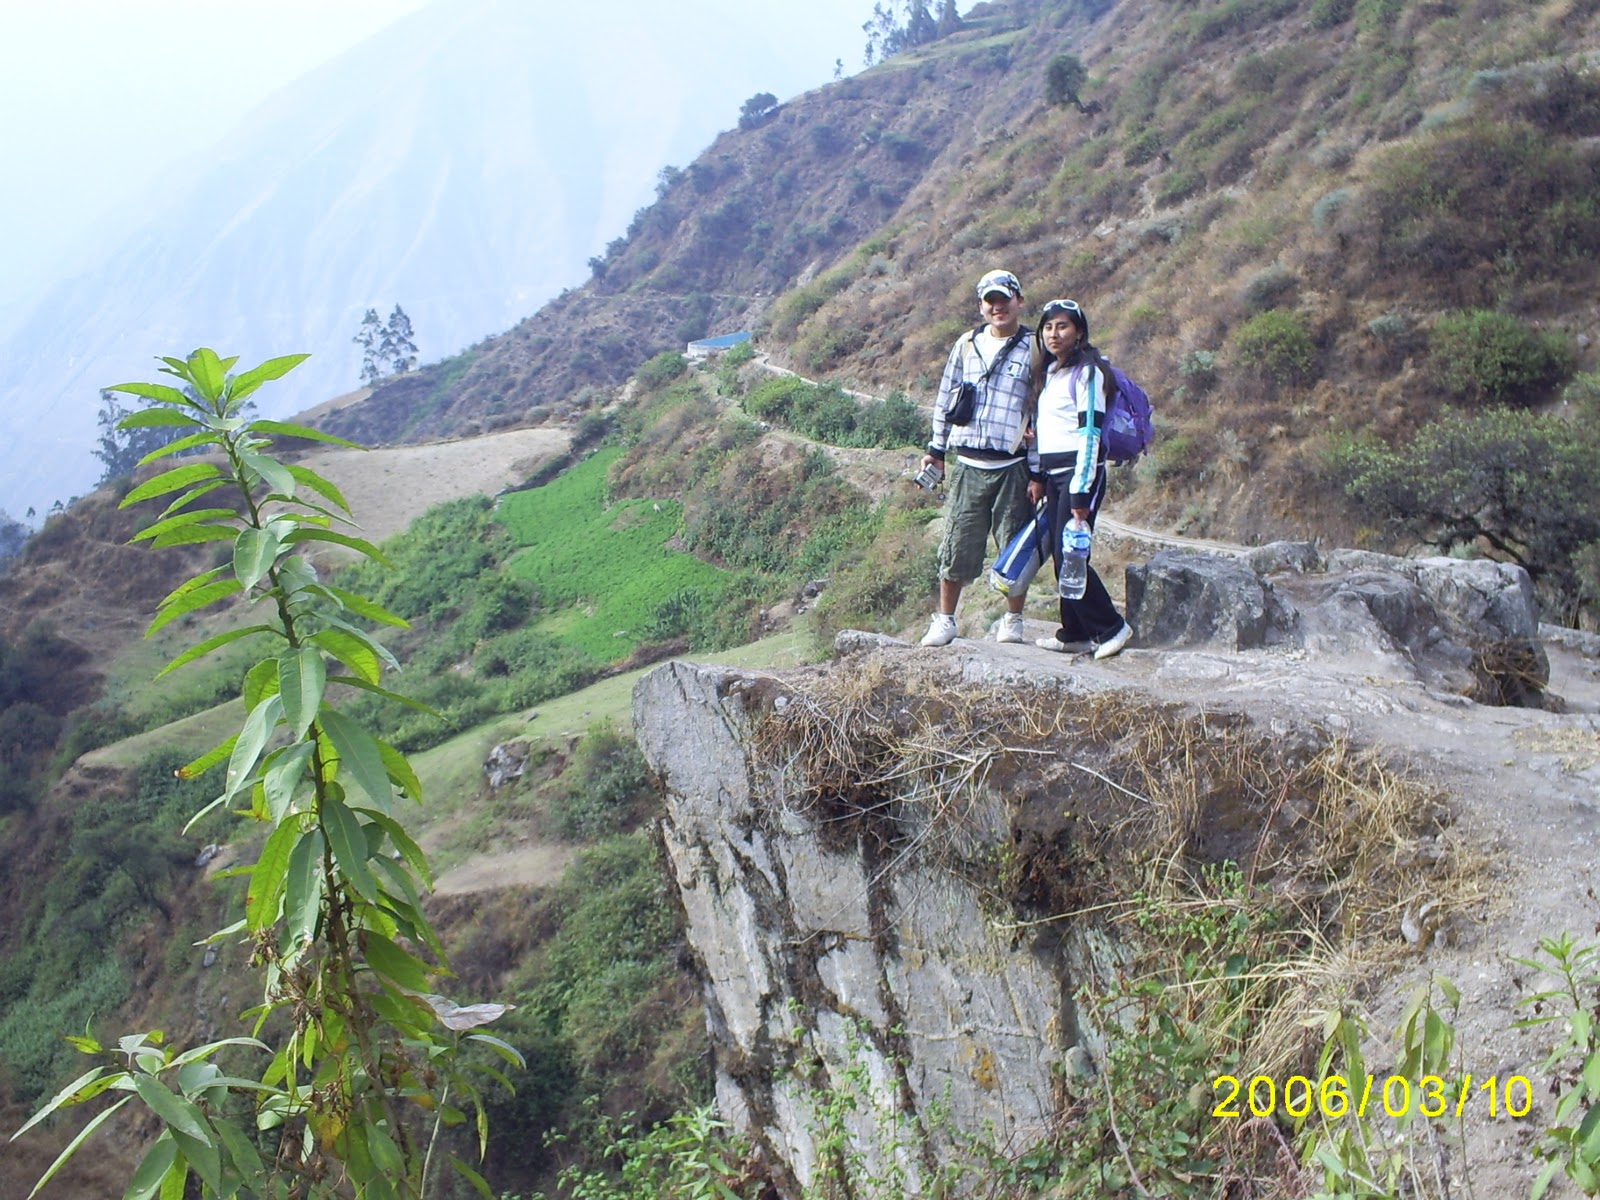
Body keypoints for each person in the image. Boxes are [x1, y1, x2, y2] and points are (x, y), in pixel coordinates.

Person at [918, 269, 1038, 647]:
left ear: (1019, 301)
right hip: (968, 464)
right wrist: (936, 451)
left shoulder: (1036, 347)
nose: (997, 307)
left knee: (1015, 546)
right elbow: (945, 397)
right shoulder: (966, 344)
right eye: (990, 301)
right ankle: (946, 620)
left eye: (1004, 299)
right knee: (957, 544)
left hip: (1013, 467)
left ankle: (1012, 620)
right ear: (981, 306)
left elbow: (1042, 406)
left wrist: (1038, 470)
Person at [1025, 298, 1133, 660]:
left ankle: (1110, 627)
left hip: (1077, 474)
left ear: (1080, 332)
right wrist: (1038, 474)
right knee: (1062, 557)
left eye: (1063, 326)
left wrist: (1081, 492)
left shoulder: (1089, 372)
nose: (1054, 334)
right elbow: (1044, 429)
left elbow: (1089, 434)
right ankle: (1074, 632)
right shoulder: (1050, 372)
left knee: (1070, 554)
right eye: (1048, 327)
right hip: (1054, 475)